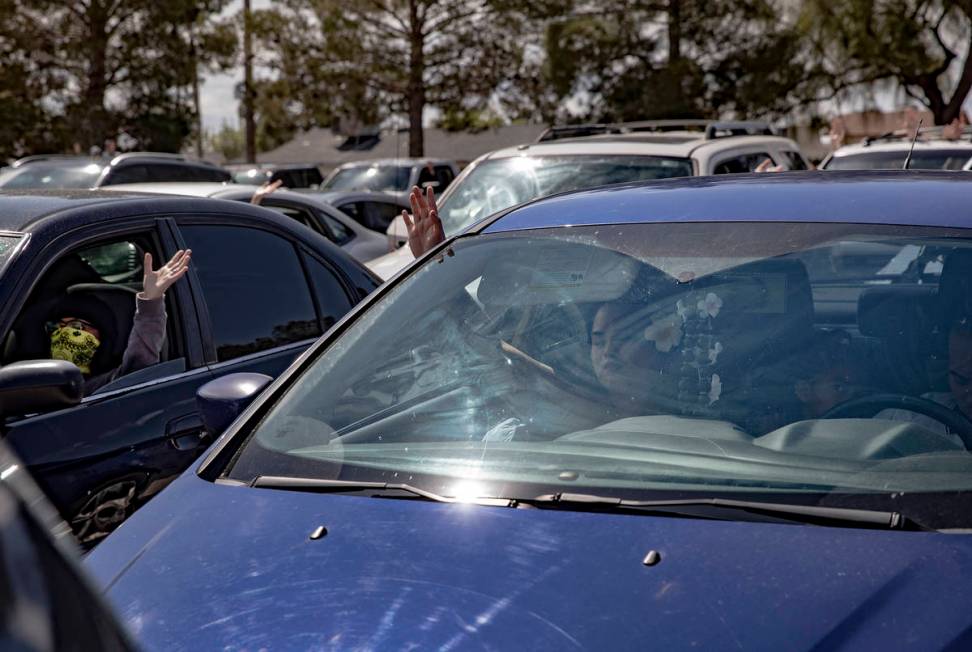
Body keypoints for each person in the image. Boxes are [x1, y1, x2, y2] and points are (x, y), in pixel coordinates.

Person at [47, 249, 191, 395]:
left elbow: (139, 364)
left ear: (102, 336)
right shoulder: (40, 377)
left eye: (77, 326)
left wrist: (151, 301)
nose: (65, 332)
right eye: (60, 325)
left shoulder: (103, 385)